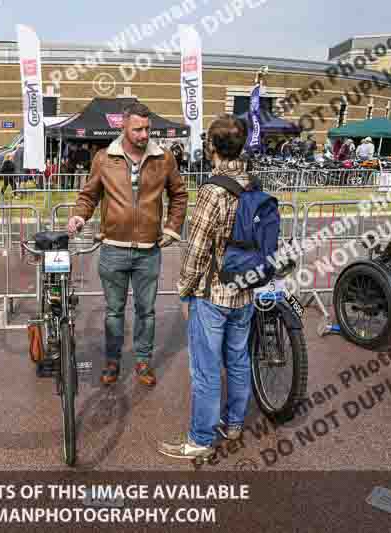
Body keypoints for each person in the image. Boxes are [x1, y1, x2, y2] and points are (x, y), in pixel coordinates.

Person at [67, 102, 188, 386]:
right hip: (112, 248)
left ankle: (143, 361)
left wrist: (172, 228)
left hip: (149, 251)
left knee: (146, 311)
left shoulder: (164, 158)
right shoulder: (103, 158)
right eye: (138, 129)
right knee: (113, 311)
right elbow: (89, 195)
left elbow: (179, 195)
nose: (144, 134)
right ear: (123, 127)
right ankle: (112, 361)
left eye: (147, 128)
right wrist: (78, 216)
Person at [159, 115, 256, 460]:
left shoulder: (213, 190)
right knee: (239, 359)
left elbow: (197, 249)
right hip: (245, 290)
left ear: (212, 147)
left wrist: (183, 289)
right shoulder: (251, 182)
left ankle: (200, 438)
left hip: (213, 292)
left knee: (206, 368)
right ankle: (234, 423)